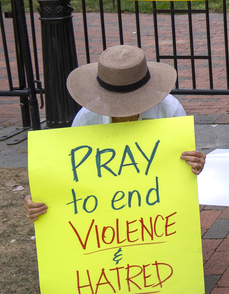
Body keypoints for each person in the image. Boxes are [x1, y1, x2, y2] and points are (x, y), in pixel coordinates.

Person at [24, 44, 205, 221]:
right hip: (104, 216)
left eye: (131, 101)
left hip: (156, 214)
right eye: (117, 100)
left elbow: (184, 166)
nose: (125, 107)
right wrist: (41, 197)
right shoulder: (87, 119)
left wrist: (195, 162)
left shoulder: (169, 110)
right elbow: (68, 170)